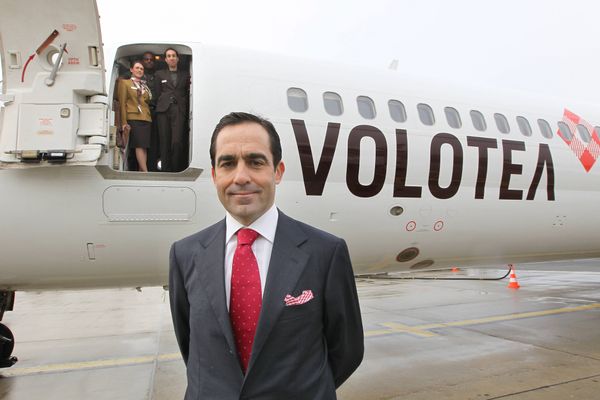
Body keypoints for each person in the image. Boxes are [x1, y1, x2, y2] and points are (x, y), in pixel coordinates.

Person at [169, 112, 364, 399]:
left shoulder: (325, 252)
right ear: (214, 175)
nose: (241, 177)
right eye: (227, 163)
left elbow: (346, 351)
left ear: (278, 171)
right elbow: (191, 347)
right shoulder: (185, 255)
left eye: (255, 161)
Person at [155, 48, 190, 172]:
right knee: (164, 141)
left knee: (177, 141)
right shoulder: (159, 74)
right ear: (165, 59)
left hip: (179, 109)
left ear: (178, 58)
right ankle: (165, 169)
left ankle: (176, 169)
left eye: (173, 55)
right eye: (169, 56)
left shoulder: (185, 74)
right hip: (163, 110)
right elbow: (158, 93)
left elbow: (186, 92)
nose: (171, 58)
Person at [117, 60, 152, 172]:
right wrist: (123, 122)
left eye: (141, 69)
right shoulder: (125, 83)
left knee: (143, 146)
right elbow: (122, 103)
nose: (139, 70)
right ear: (131, 70)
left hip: (146, 118)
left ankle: (142, 171)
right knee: (139, 144)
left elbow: (147, 100)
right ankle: (145, 171)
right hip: (133, 117)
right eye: (137, 68)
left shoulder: (144, 85)